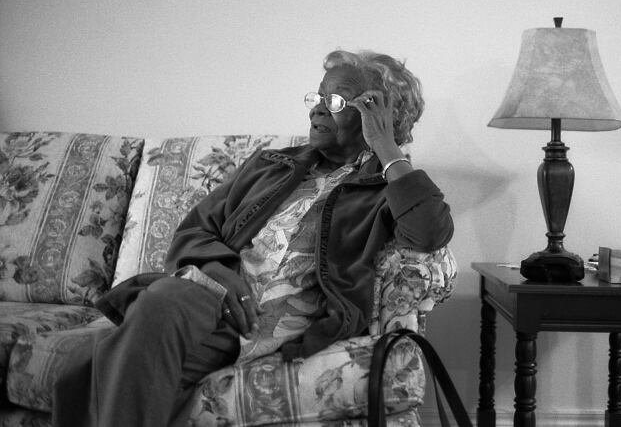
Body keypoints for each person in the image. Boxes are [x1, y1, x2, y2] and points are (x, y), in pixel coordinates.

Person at [52, 50, 454, 427]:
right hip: (202, 301)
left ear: (376, 114)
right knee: (158, 305)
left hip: (263, 329)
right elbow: (195, 229)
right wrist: (219, 271)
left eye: (335, 101)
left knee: (94, 365)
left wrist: (385, 146)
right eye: (317, 95)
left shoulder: (387, 187)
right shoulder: (271, 165)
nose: (316, 107)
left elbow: (429, 233)